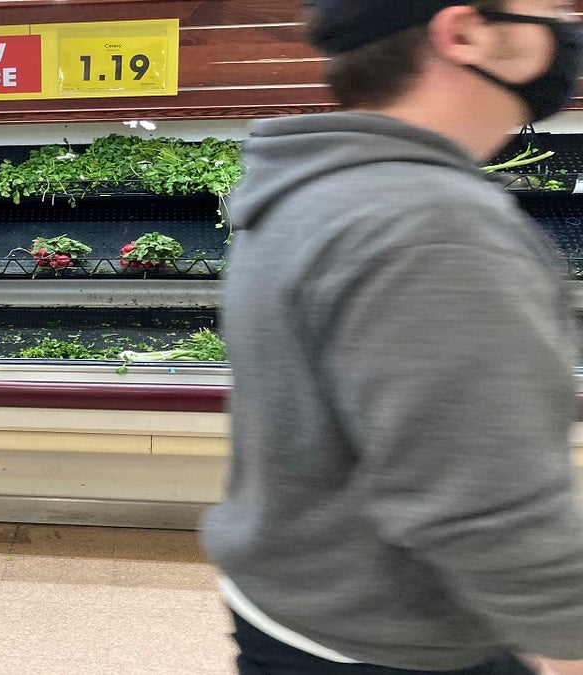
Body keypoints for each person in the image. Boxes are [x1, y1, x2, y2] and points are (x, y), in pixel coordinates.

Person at [200, 0, 583, 673]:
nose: (564, 25)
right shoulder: (431, 224)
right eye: (545, 7)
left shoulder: (305, 188)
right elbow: (488, 510)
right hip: (398, 640)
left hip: (295, 607)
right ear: (464, 32)